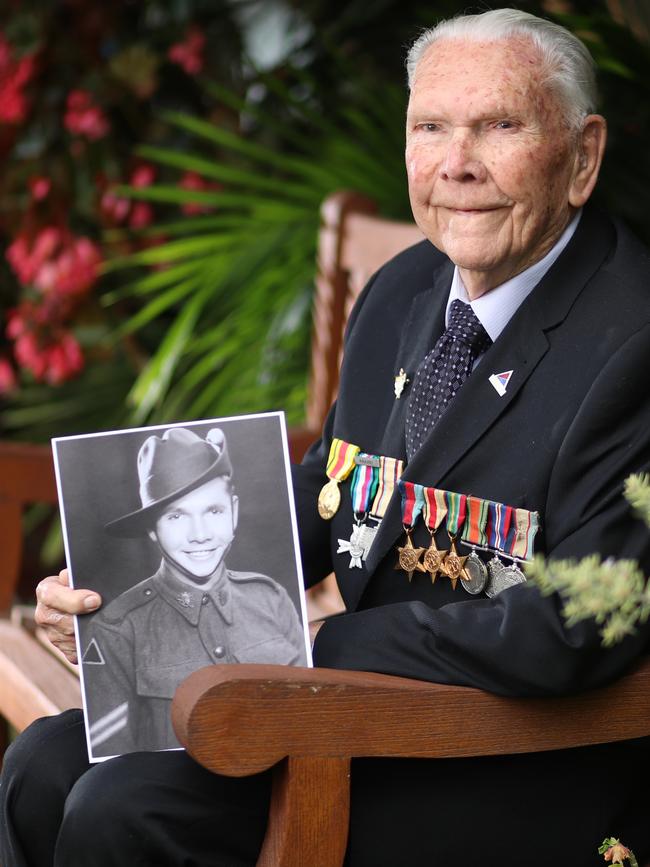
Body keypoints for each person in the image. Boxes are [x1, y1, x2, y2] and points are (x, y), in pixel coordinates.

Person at [2, 8, 649, 867]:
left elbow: (569, 626)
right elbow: (337, 481)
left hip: (507, 751)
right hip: (349, 709)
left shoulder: (633, 340)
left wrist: (295, 646)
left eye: (499, 125)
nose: (457, 164)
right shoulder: (407, 287)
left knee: (123, 807)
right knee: (40, 764)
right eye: (430, 127)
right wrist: (117, 592)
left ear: (582, 154)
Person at [79, 425, 308, 757]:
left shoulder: (271, 601)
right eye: (176, 516)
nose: (199, 534)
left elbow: (307, 723)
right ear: (153, 531)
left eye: (213, 511)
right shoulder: (118, 630)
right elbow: (114, 771)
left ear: (234, 512)